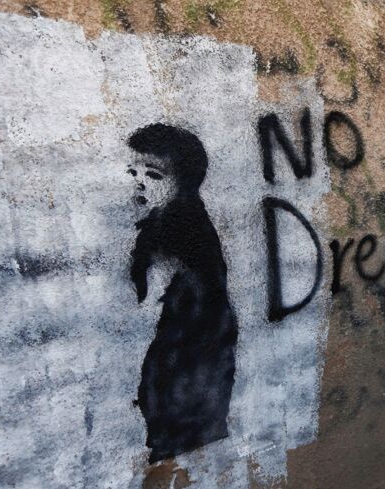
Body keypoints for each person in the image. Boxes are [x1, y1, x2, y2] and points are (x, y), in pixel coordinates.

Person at [127, 123, 239, 463]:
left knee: (181, 441)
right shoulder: (166, 221)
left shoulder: (177, 228)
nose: (140, 182)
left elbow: (154, 300)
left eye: (155, 175)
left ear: (184, 182)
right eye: (133, 171)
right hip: (194, 354)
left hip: (193, 357)